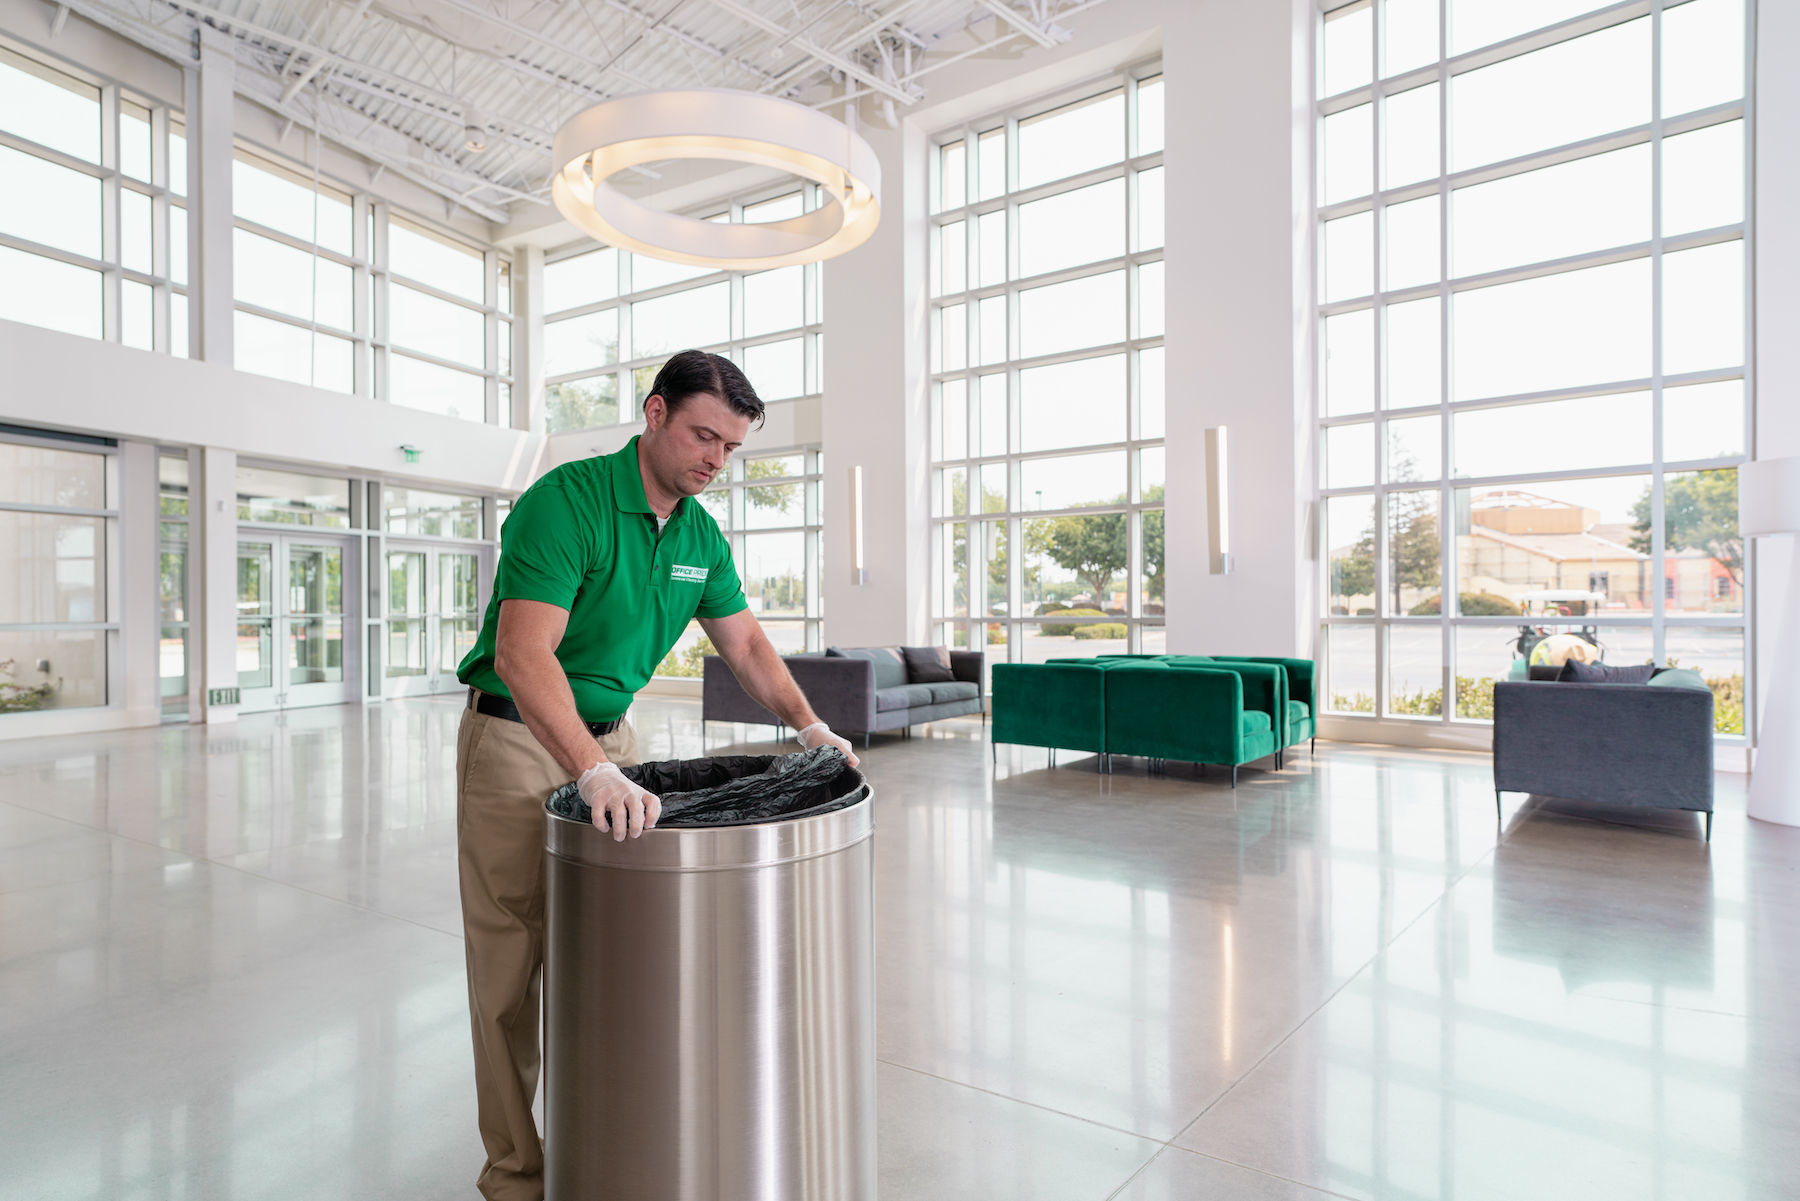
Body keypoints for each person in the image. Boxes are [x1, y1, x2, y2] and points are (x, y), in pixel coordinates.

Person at [453, 349, 859, 1201]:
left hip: (618, 745)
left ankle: (608, 1149)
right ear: (654, 412)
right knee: (508, 969)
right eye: (703, 435)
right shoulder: (567, 503)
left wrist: (810, 724)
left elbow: (743, 643)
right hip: (520, 739)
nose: (715, 459)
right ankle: (517, 1176)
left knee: (616, 955)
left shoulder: (700, 536)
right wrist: (593, 768)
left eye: (730, 448)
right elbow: (525, 657)